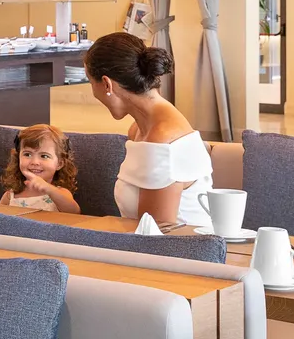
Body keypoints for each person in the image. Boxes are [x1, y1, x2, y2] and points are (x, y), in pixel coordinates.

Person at [85, 32, 212, 228]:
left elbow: (156, 235)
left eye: (90, 82)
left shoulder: (163, 141)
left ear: (107, 84)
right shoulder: (138, 129)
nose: (93, 91)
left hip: (179, 246)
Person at [0, 124, 81, 214]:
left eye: (44, 156)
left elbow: (75, 212)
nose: (35, 162)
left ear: (59, 164)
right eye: (27, 154)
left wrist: (49, 189)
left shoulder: (60, 193)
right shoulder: (10, 196)